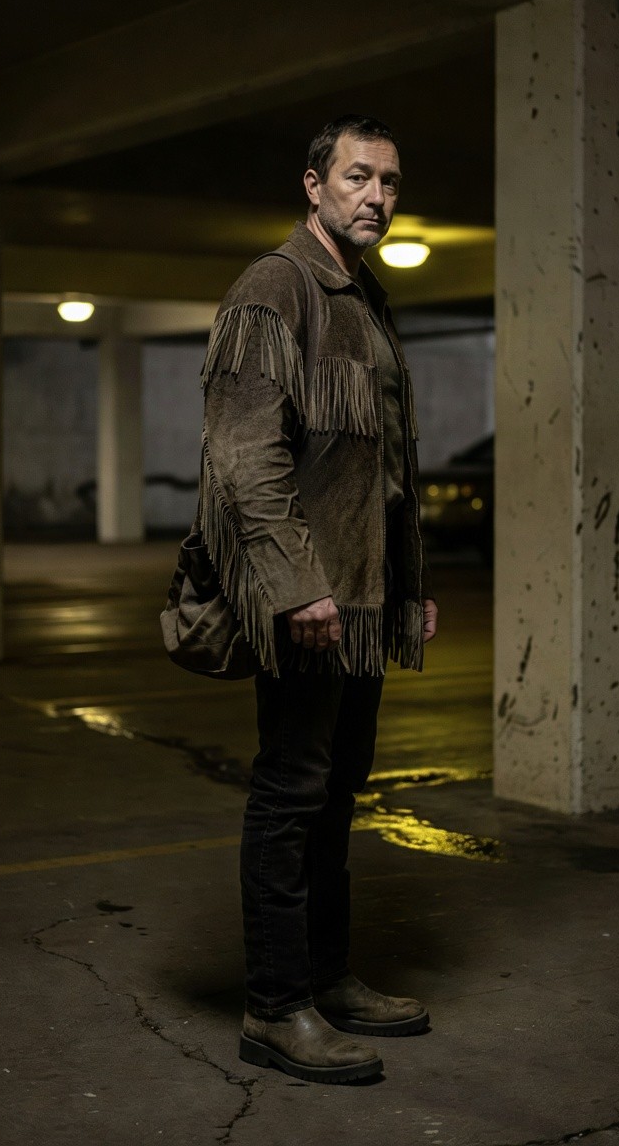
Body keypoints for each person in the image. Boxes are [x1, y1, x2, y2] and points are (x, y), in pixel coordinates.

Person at [200, 114, 438, 1084]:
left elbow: (387, 468)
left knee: (339, 794)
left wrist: (408, 589)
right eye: (356, 177)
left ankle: (328, 980)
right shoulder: (276, 290)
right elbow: (244, 455)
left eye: (388, 180)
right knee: (291, 794)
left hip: (364, 604)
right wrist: (296, 585)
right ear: (313, 185)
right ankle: (274, 1007)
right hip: (308, 602)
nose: (376, 196)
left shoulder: (367, 300)